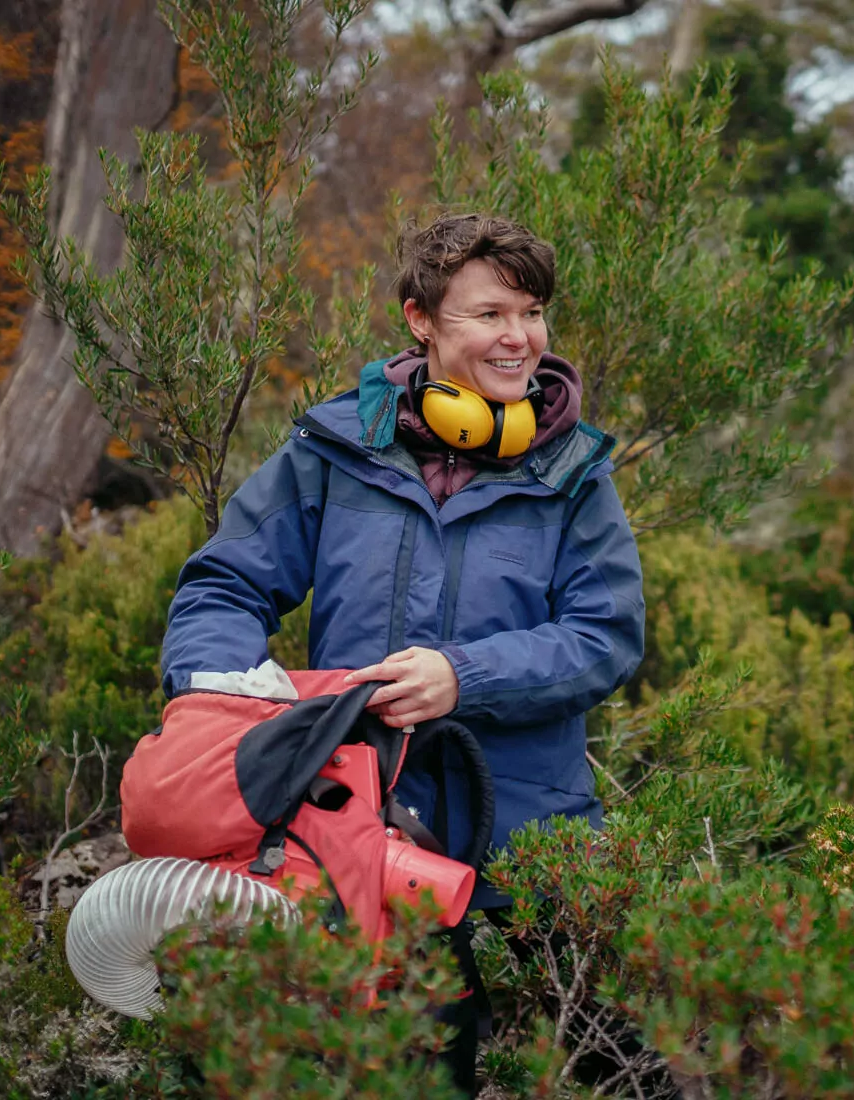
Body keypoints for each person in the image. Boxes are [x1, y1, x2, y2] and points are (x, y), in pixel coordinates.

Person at [160, 212, 645, 1093]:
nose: (519, 337)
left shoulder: (573, 471)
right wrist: (228, 691)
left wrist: (466, 676)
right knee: (417, 1071)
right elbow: (222, 588)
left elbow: (604, 637)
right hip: (365, 834)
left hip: (538, 831)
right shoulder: (334, 448)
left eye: (532, 313)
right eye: (489, 313)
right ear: (421, 319)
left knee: (628, 1059)